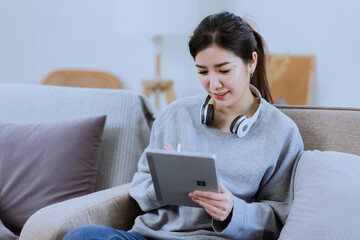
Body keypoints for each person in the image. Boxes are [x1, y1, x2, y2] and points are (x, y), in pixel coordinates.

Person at [63, 11, 303, 240]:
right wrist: (163, 184)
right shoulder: (175, 114)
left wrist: (233, 211)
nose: (214, 84)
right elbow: (139, 189)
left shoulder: (281, 132)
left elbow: (279, 219)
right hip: (152, 235)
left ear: (251, 62)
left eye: (224, 70)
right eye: (203, 71)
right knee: (80, 236)